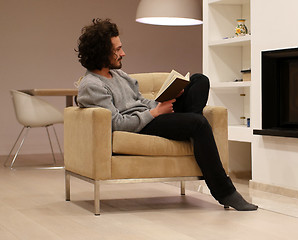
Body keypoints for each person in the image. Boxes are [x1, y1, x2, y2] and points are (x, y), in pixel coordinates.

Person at [75, 18, 257, 211]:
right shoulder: (92, 85)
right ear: (102, 52)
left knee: (199, 80)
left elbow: (140, 101)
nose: (123, 53)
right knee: (199, 123)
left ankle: (186, 126)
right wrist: (155, 113)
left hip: (154, 115)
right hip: (142, 126)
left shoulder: (118, 75)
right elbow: (117, 123)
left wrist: (165, 100)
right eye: (117, 50)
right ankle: (225, 193)